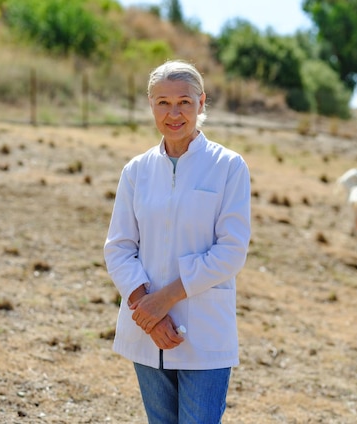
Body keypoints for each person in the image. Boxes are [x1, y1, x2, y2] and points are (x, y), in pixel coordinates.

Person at [104, 59, 251, 424]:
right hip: (146, 334)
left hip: (203, 333)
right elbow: (119, 247)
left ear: (202, 103)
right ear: (150, 104)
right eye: (163, 102)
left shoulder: (229, 166)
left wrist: (163, 301)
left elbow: (231, 251)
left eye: (184, 102)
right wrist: (148, 314)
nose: (174, 113)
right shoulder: (136, 170)